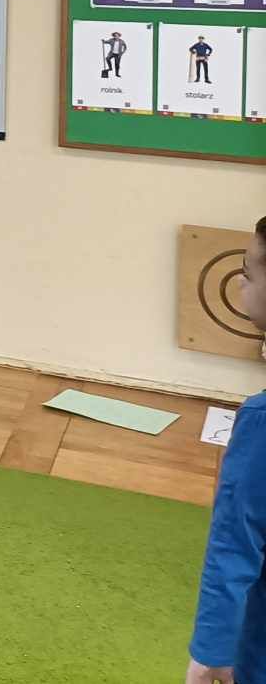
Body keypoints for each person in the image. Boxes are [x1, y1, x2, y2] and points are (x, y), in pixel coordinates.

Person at [189, 217, 266, 682]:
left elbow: (237, 542)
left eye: (249, 273)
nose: (240, 282)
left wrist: (212, 651)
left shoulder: (260, 422)